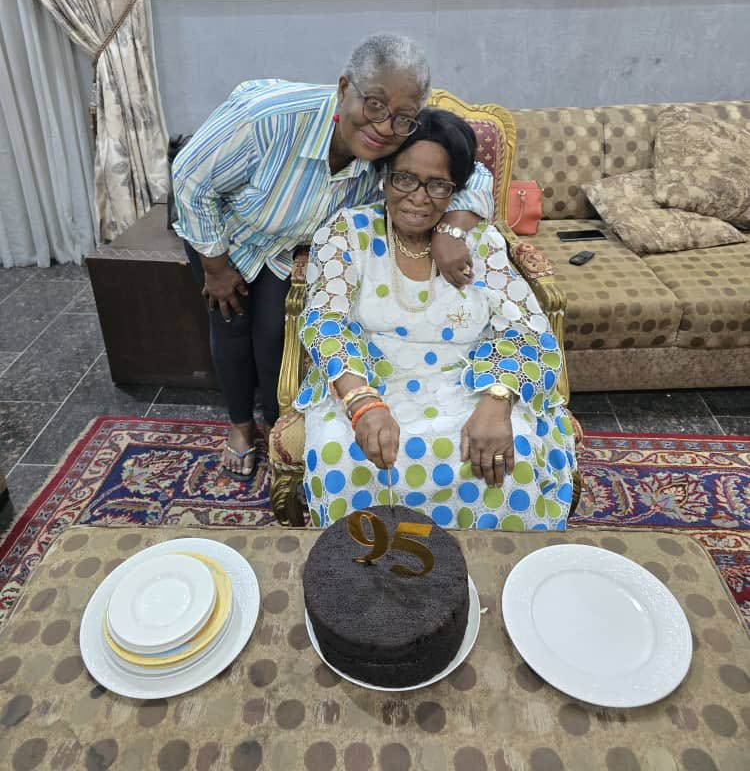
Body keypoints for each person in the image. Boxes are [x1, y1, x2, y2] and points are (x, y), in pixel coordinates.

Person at [172, 34, 494, 478]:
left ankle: (278, 430)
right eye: (374, 105)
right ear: (345, 88)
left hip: (285, 247)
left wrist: (451, 228)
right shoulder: (268, 119)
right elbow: (190, 178)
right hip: (224, 235)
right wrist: (216, 267)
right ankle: (241, 427)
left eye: (402, 116)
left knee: (275, 336)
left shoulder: (400, 136)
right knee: (230, 326)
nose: (384, 127)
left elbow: (474, 172)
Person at [296, 108, 577, 530]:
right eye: (404, 179)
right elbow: (325, 322)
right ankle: (367, 567)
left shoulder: (478, 242)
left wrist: (497, 401)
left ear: (456, 190)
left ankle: (491, 565)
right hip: (368, 379)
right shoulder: (347, 232)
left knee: (511, 453)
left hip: (468, 383)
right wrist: (361, 402)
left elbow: (526, 329)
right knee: (342, 454)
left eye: (437, 185)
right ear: (384, 176)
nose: (418, 197)